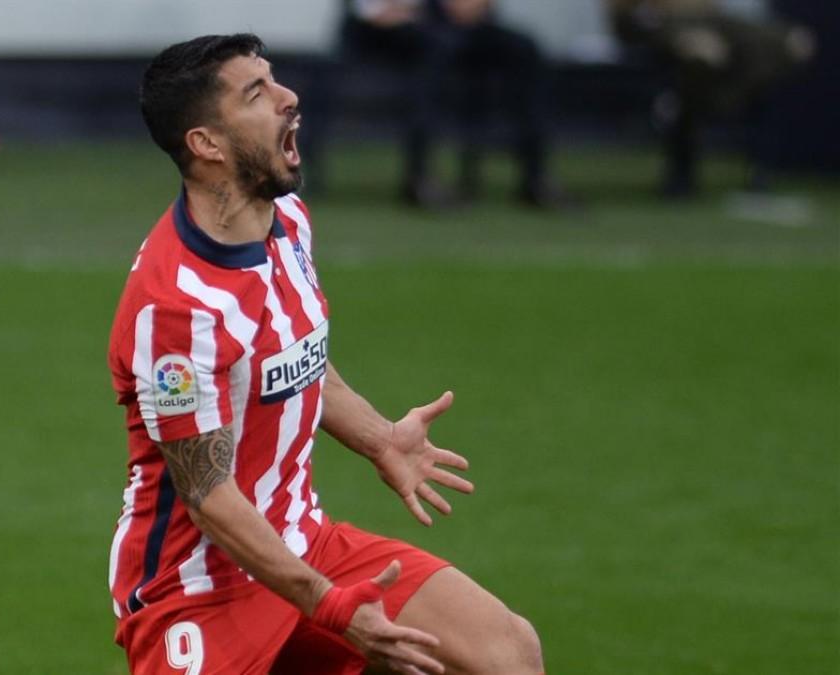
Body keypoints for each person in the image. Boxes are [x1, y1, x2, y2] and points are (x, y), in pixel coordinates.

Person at [106, 33, 543, 674]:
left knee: (507, 651)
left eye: (275, 79)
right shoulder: (175, 309)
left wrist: (380, 439)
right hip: (197, 591)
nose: (289, 98)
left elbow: (296, 354)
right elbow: (208, 493)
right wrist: (331, 606)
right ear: (207, 144)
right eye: (257, 93)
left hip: (303, 540)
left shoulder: (287, 220)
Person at [338, 0, 568, 208]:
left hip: (443, 21)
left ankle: (535, 177)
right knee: (434, 50)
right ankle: (419, 177)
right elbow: (372, 12)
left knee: (525, 48)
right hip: (388, 29)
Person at [608, 0, 815, 195]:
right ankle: (687, 149)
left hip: (712, 25)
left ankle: (724, 102)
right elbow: (627, 21)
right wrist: (677, 36)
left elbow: (724, 20)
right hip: (664, 29)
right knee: (700, 59)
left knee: (794, 43)